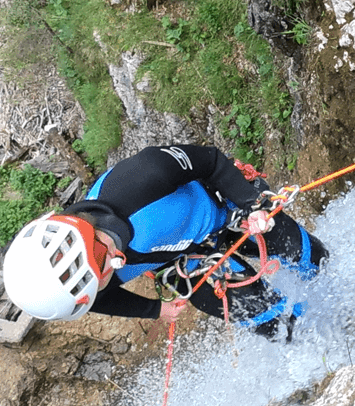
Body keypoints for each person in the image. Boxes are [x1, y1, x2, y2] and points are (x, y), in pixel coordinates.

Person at [2, 144, 326, 337]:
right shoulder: (81, 285)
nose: (113, 265)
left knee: (312, 258)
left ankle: (332, 287)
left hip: (225, 207)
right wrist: (155, 309)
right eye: (97, 281)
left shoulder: (143, 177)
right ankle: (324, 342)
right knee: (278, 325)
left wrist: (250, 204)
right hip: (185, 262)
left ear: (79, 229)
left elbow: (210, 161)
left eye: (101, 253)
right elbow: (100, 299)